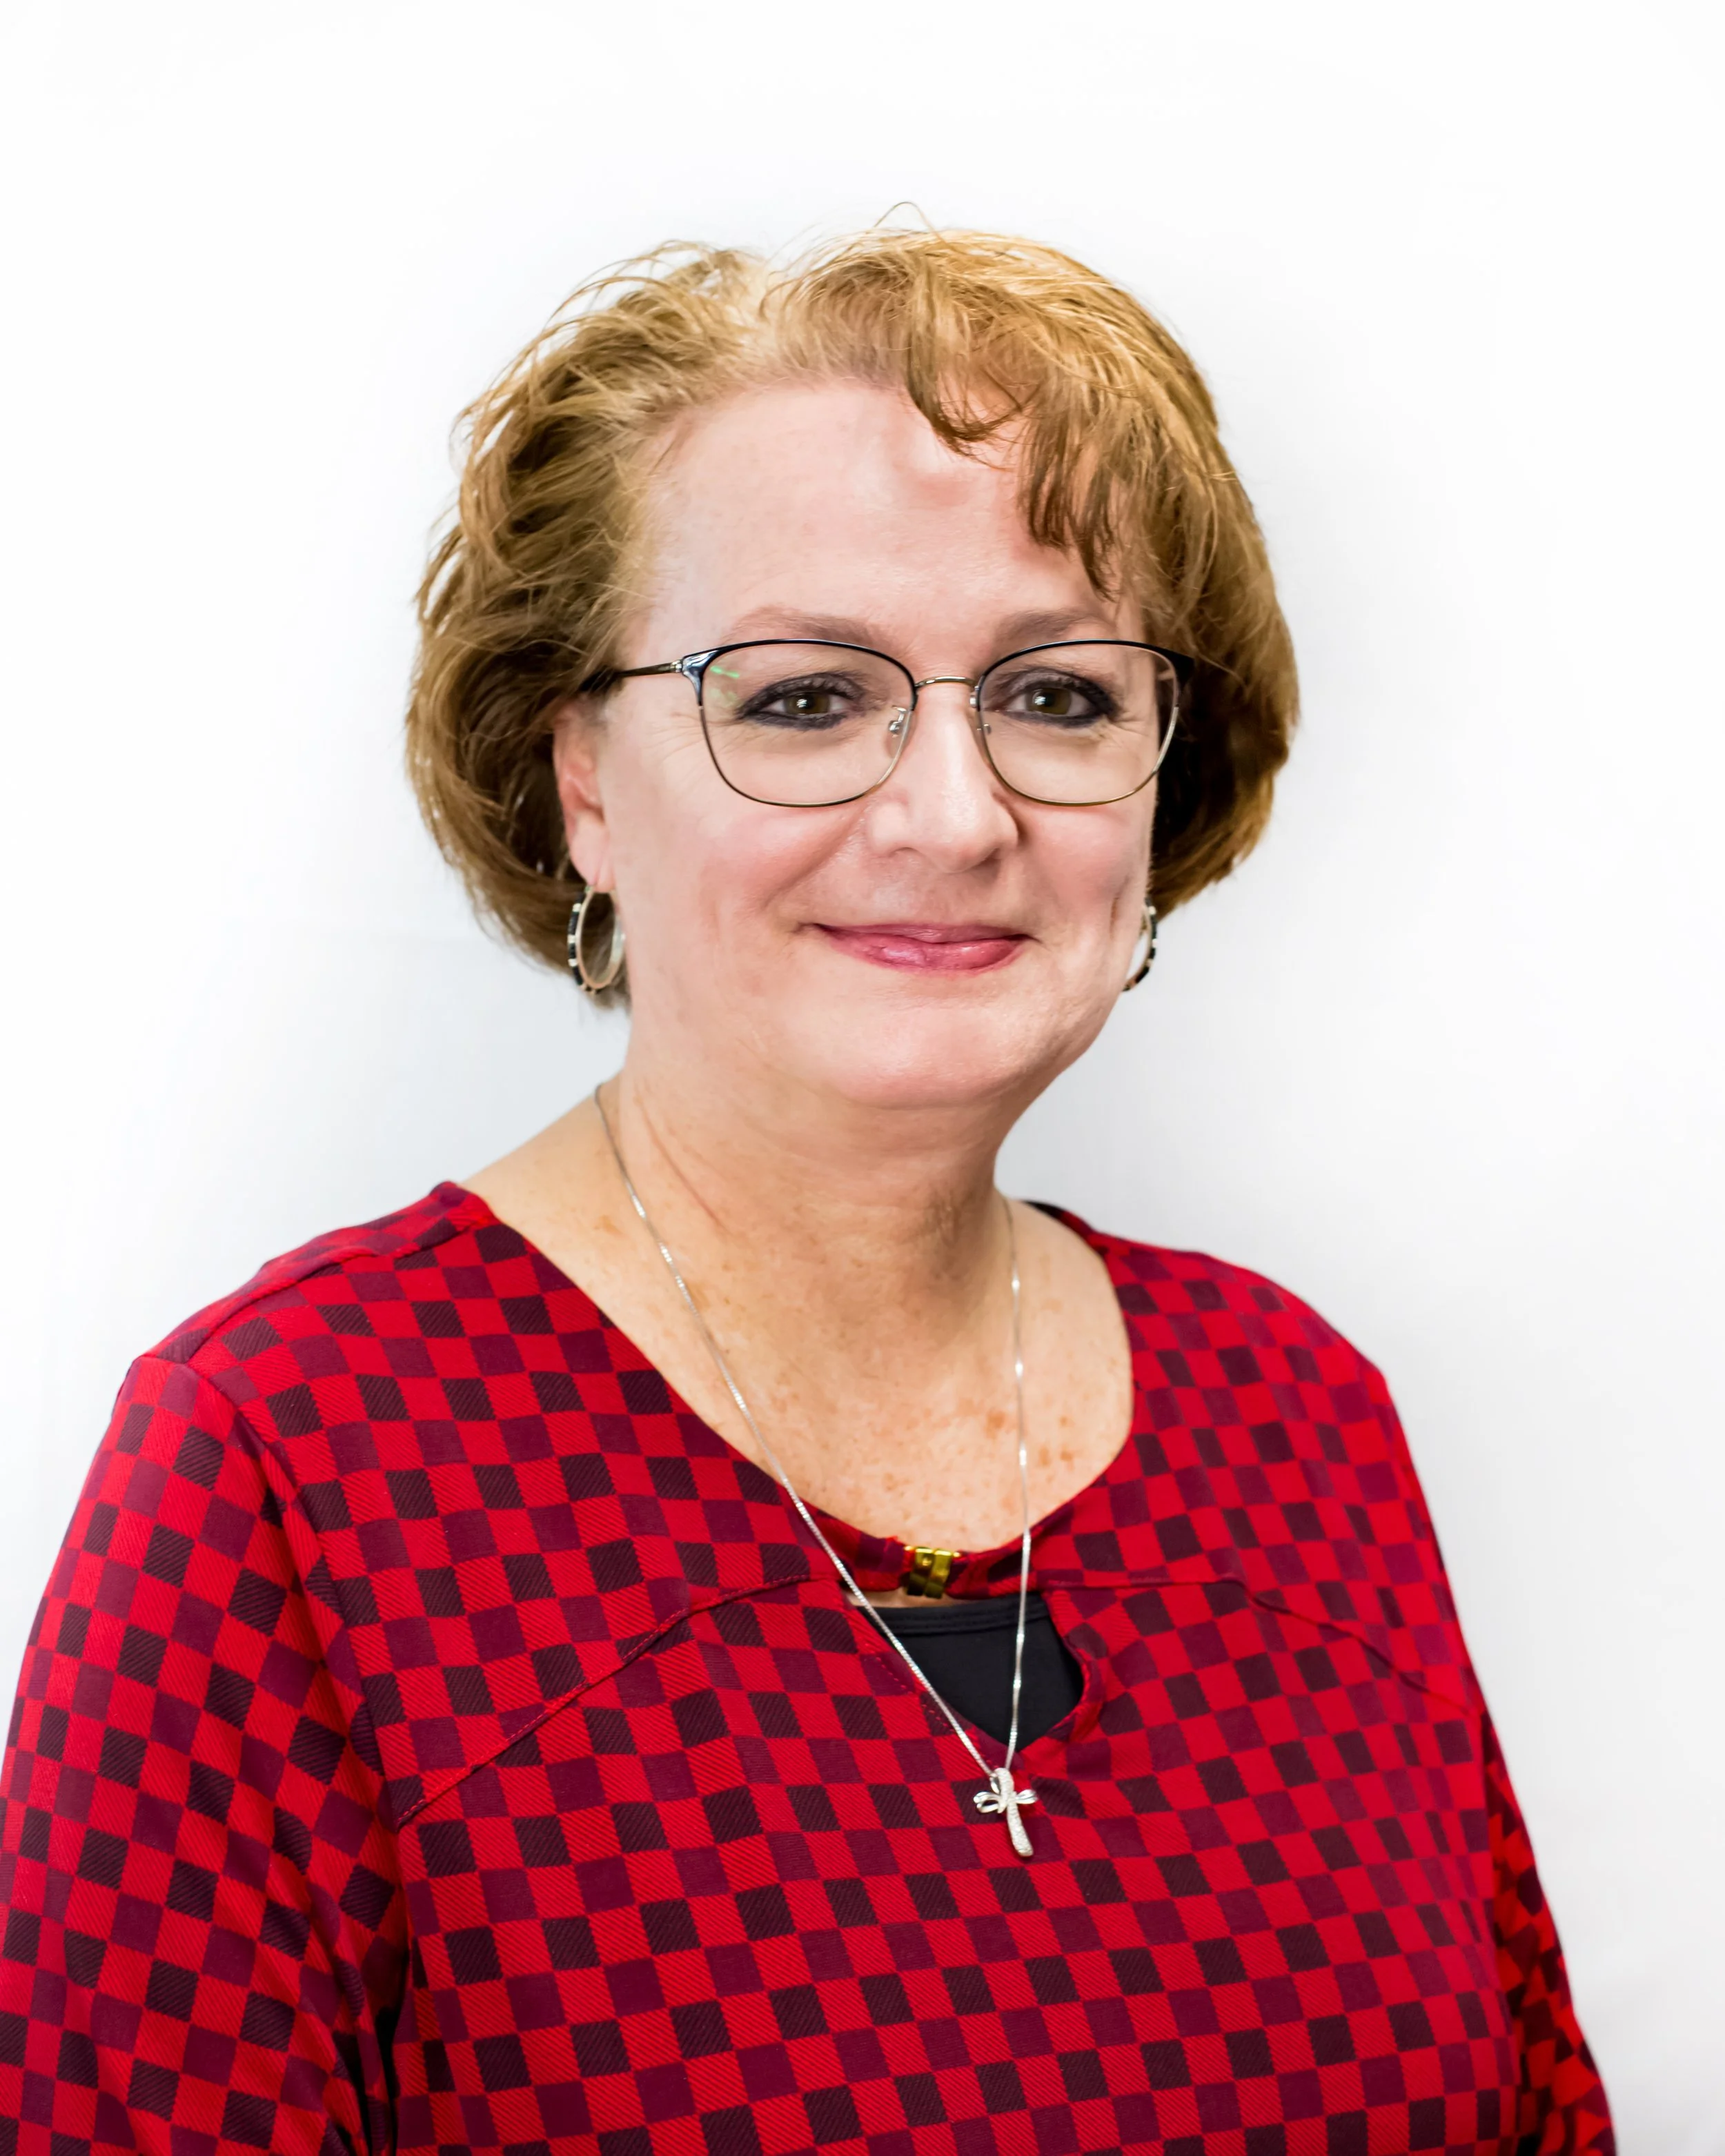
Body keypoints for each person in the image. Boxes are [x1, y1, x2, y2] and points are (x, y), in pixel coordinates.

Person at [0, 230, 1612, 2156]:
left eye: (1057, 696)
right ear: (584, 778)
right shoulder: (288, 1465)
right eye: (801, 700)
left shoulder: (1296, 1420)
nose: (952, 813)